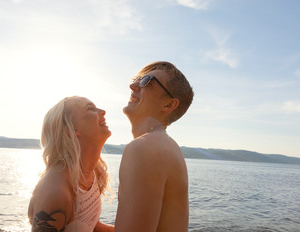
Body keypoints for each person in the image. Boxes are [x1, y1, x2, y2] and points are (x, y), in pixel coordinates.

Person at [114, 61, 194, 232]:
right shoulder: (166, 146)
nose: (133, 85)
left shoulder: (143, 148)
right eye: (137, 78)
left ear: (169, 105)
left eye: (147, 81)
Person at [28, 96, 114, 232]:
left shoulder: (93, 172)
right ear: (72, 130)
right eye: (91, 109)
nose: (102, 111)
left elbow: (90, 225)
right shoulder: (57, 191)